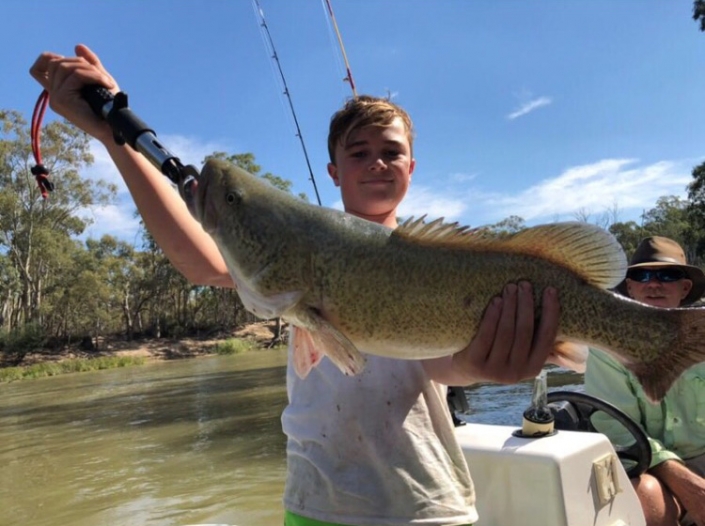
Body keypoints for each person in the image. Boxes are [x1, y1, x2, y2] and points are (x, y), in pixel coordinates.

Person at [30, 44, 562, 526]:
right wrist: (112, 132)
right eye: (358, 152)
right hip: (314, 507)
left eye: (391, 151)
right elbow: (199, 258)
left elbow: (435, 364)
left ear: (412, 167)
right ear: (332, 172)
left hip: (425, 509)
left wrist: (485, 362)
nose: (376, 160)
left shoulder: (433, 260)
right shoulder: (302, 254)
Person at [585, 236, 705, 526]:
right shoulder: (605, 346)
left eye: (667, 274)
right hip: (649, 467)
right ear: (630, 287)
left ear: (685, 287)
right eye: (642, 275)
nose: (654, 283)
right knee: (647, 495)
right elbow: (617, 428)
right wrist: (683, 479)